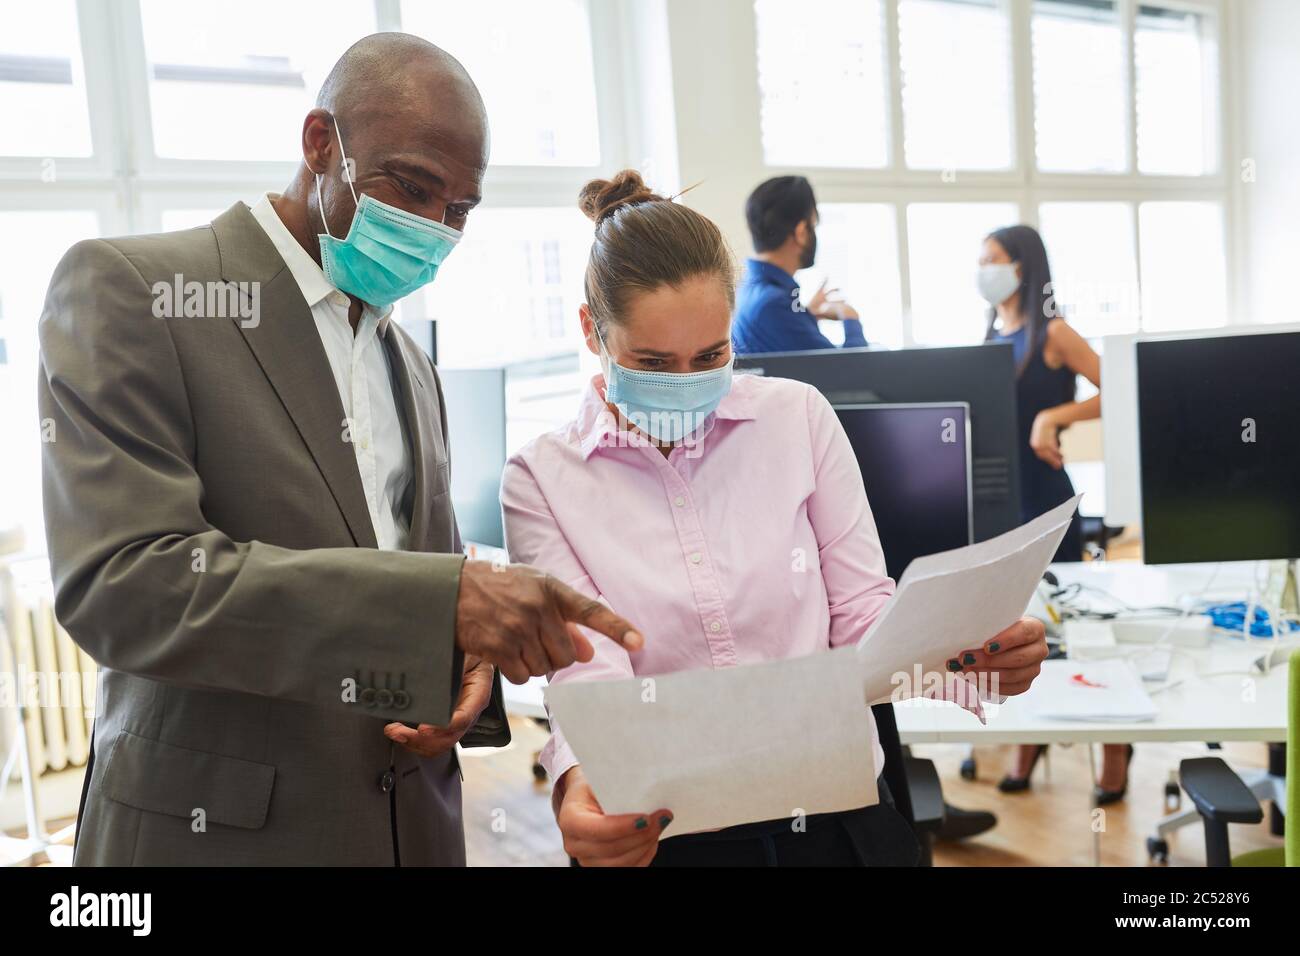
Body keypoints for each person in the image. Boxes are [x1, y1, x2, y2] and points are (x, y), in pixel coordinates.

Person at [37, 33, 640, 867]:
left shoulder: (412, 366)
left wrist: (459, 663)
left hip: (412, 833)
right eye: (413, 186)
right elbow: (124, 585)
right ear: (321, 143)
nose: (433, 228)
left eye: (459, 210)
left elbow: (409, 569)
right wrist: (441, 608)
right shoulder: (136, 293)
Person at [501, 170, 1050, 867]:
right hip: (663, 829)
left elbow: (860, 616)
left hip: (833, 814)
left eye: (710, 356)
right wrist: (580, 779)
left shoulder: (797, 417)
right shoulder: (543, 479)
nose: (683, 381)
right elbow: (589, 675)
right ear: (591, 331)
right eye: (651, 361)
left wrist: (966, 656)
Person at [977, 225, 1127, 802]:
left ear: (1022, 266)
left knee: (1073, 627)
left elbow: (1117, 384)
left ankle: (1114, 749)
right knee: (1019, 624)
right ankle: (1029, 739)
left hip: (1045, 497)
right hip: (1000, 502)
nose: (983, 269)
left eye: (992, 259)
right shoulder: (993, 332)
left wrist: (1055, 416)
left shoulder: (1054, 331)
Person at [732, 175, 867, 354]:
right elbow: (853, 373)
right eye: (814, 225)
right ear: (801, 232)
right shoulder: (774, 305)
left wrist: (806, 316)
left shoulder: (748, 289)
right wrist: (850, 316)